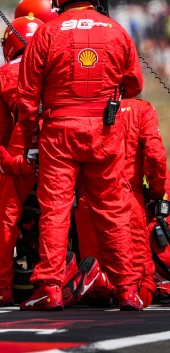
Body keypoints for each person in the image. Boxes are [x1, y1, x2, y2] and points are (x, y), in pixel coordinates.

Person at [17, 0, 144, 311]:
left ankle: (51, 289)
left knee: (55, 210)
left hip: (59, 133)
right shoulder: (117, 31)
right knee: (113, 210)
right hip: (105, 132)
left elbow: (27, 98)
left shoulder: (46, 33)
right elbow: (134, 84)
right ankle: (128, 289)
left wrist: (29, 143)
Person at [0, 14, 44, 306]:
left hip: (21, 150)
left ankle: (0, 287)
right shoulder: (57, 67)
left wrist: (7, 162)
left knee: (7, 218)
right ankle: (66, 283)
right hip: (66, 148)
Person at [73, 97, 167, 307]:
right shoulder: (141, 109)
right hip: (127, 201)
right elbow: (156, 156)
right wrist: (156, 192)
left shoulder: (82, 105)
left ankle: (96, 281)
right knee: (143, 284)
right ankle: (106, 284)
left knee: (97, 278)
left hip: (87, 202)